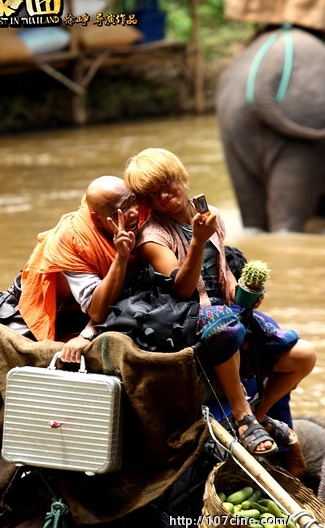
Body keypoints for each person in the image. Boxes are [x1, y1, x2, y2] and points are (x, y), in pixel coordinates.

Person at [124, 147, 317, 459]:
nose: (163, 196)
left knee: (304, 356)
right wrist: (197, 240)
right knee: (223, 323)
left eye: (167, 185)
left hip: (227, 309)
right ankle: (242, 418)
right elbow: (183, 289)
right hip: (190, 316)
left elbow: (222, 268)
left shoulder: (211, 214)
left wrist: (243, 291)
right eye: (152, 194)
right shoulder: (153, 236)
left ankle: (260, 412)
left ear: (181, 178)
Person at [19, 175, 146, 363]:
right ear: (98, 218)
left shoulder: (143, 212)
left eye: (133, 202)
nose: (134, 213)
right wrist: (121, 257)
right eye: (122, 209)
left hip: (93, 305)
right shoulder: (73, 239)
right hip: (65, 309)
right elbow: (98, 311)